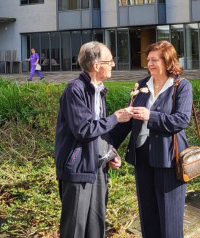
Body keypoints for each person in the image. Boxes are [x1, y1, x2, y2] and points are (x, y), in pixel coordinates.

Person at [110, 40, 193, 238]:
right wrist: (109, 145)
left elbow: (181, 120)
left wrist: (151, 116)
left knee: (169, 217)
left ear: (168, 61)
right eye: (148, 60)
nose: (150, 64)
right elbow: (128, 121)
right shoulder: (140, 85)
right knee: (147, 215)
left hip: (168, 158)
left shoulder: (180, 86)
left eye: (155, 60)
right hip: (142, 156)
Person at [54, 41, 132, 238]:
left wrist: (110, 153)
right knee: (75, 230)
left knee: (96, 229)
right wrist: (115, 118)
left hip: (97, 168)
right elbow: (84, 130)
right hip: (78, 170)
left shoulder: (99, 90)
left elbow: (98, 131)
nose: (113, 65)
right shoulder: (75, 90)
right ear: (97, 66)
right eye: (110, 61)